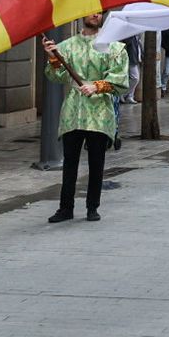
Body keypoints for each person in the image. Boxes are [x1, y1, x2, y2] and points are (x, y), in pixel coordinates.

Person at [42, 13, 129, 224]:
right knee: (70, 161)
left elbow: (120, 79)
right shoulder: (67, 46)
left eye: (99, 11)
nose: (95, 15)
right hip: (74, 110)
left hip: (100, 111)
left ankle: (92, 207)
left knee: (96, 162)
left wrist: (97, 86)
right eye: (91, 10)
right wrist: (54, 58)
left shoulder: (113, 47)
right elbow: (57, 76)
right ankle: (65, 208)